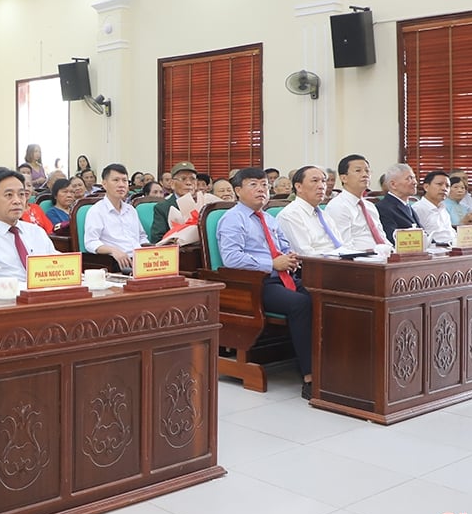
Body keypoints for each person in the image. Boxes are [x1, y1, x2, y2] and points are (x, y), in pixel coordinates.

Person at [216, 167, 313, 398]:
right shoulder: (232, 219)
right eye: (253, 185)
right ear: (238, 190)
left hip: (284, 277)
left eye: (264, 185)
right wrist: (272, 264)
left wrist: (289, 257)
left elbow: (283, 245)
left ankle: (328, 363)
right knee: (300, 304)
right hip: (256, 285)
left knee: (323, 296)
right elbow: (232, 258)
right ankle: (309, 376)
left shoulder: (269, 218)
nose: (261, 189)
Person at [0, 168, 57, 280]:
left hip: (42, 294)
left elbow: (56, 265)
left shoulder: (37, 232)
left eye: (21, 194)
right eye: (9, 195)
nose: (17, 201)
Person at [83, 163, 147, 271]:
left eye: (124, 180)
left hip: (140, 260)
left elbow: (141, 237)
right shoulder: (96, 211)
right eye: (116, 180)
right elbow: (91, 242)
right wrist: (113, 250)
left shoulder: (131, 210)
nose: (121, 185)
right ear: (104, 184)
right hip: (117, 262)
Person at [277, 166, 353, 256]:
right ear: (298, 187)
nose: (321, 186)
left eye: (323, 181)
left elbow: (341, 244)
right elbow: (305, 254)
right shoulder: (290, 215)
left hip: (339, 262)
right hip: (315, 266)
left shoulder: (323, 214)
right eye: (315, 181)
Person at [324, 154, 392, 252]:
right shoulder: (338, 206)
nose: (365, 175)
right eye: (358, 171)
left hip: (381, 257)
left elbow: (382, 238)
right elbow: (344, 247)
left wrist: (392, 251)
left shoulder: (370, 206)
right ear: (344, 178)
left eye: (367, 171)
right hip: (360, 261)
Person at [150, 162, 198, 243]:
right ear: (172, 184)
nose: (189, 183)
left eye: (192, 179)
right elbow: (157, 239)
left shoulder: (202, 205)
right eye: (183, 179)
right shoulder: (162, 207)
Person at [376, 163, 421, 243]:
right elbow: (392, 238)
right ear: (393, 185)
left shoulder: (408, 205)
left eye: (414, 178)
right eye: (409, 178)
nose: (414, 182)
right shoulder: (383, 208)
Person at [412, 170, 455, 246]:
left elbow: (450, 232)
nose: (444, 188)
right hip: (434, 250)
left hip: (451, 247)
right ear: (426, 187)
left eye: (447, 186)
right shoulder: (418, 209)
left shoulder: (443, 208)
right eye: (439, 184)